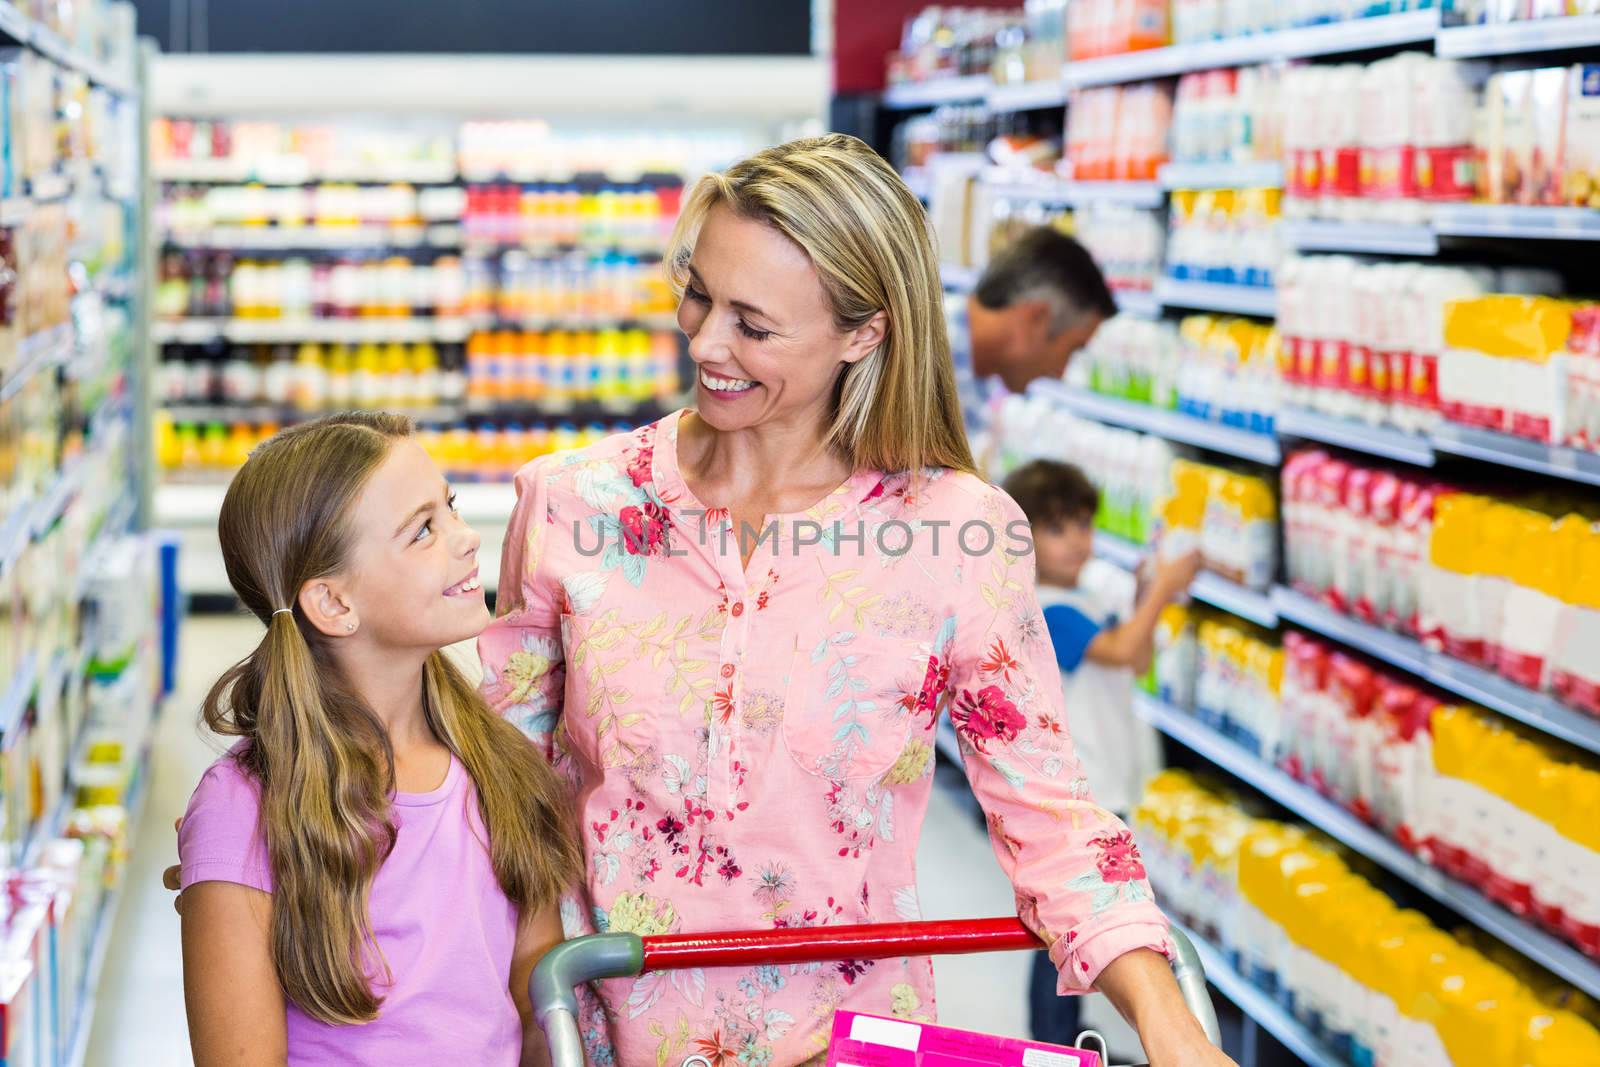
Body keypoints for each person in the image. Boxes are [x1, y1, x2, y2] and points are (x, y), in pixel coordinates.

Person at [476, 134, 1232, 1067]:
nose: (706, 340)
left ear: (862, 332)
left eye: (754, 324)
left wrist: (1172, 1027)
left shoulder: (958, 531)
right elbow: (507, 784)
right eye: (699, 292)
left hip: (850, 1046)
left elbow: (1052, 814)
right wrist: (528, 988)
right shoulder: (572, 503)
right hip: (603, 1034)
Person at [174, 412, 583, 1066]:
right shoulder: (242, 810)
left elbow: (538, 1007)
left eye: (448, 506)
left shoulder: (497, 765)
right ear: (333, 603)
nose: (466, 537)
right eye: (423, 529)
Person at [1001, 458, 1203, 1051]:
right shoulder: (1046, 608)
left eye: (1085, 526)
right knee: (1066, 927)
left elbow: (1138, 661)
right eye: (1059, 528)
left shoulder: (1085, 597)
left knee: (1082, 923)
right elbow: (1123, 650)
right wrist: (1163, 592)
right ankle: (1054, 1045)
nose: (1078, 542)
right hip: (1086, 786)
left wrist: (1145, 595)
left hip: (1112, 775)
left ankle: (1067, 1042)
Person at [947, 226, 1118, 458]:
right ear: (1036, 319)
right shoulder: (913, 362)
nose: (1061, 372)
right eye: (1072, 349)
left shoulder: (971, 381)